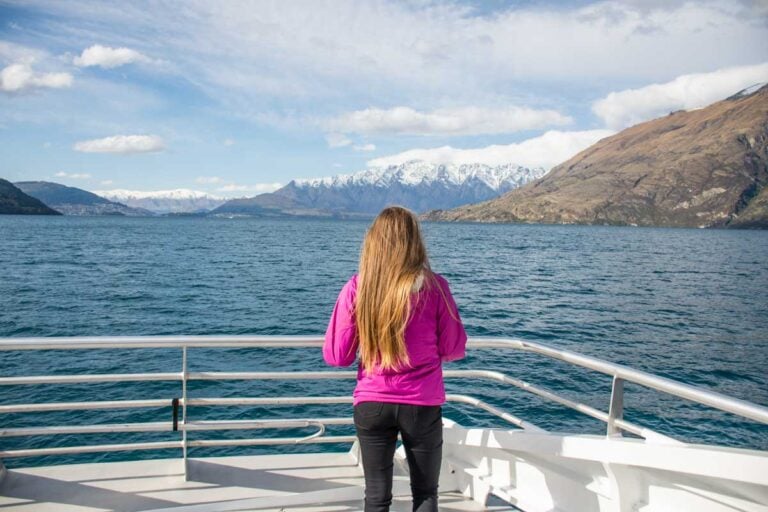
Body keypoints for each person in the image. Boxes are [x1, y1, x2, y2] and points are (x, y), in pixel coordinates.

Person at [323, 206, 467, 512]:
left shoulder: (358, 288)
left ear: (373, 242)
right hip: (422, 405)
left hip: (372, 404)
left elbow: (338, 356)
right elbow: (454, 348)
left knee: (376, 496)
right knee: (426, 494)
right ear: (415, 242)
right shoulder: (436, 287)